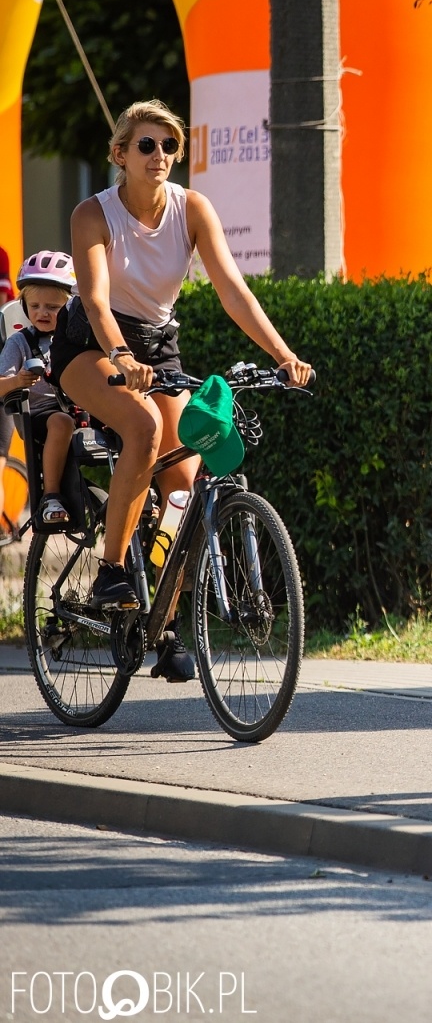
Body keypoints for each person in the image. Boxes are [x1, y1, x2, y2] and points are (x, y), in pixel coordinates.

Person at [59, 100, 312, 682]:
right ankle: (111, 569)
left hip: (159, 347)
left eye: (169, 147)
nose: (160, 157)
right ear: (120, 155)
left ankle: (164, 623)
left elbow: (233, 291)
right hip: (91, 346)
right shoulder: (91, 215)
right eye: (147, 146)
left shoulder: (192, 208)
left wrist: (284, 356)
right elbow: (95, 300)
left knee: (183, 477)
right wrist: (120, 355)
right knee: (144, 429)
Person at [0, 252, 77, 526]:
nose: (42, 313)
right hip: (42, 413)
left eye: (53, 308)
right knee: (61, 422)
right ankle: (51, 496)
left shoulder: (77, 339)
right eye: (35, 306)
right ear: (24, 306)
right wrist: (17, 381)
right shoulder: (19, 343)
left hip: (82, 407)